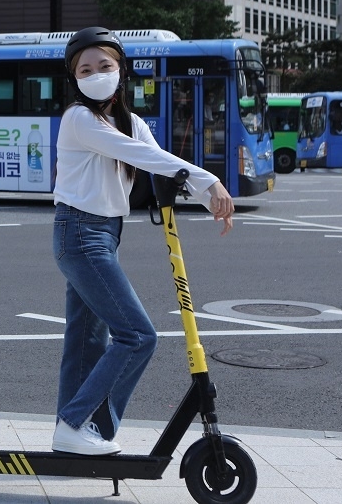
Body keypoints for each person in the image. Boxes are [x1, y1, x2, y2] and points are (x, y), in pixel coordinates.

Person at [51, 27, 234, 455]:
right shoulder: (78, 118)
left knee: (86, 340)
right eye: (86, 69)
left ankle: (74, 430)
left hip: (101, 235)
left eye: (105, 66)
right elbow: (142, 157)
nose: (96, 74)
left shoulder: (130, 122)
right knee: (137, 335)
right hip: (80, 233)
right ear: (74, 78)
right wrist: (210, 180)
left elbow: (161, 161)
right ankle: (76, 425)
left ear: (121, 70)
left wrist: (210, 199)